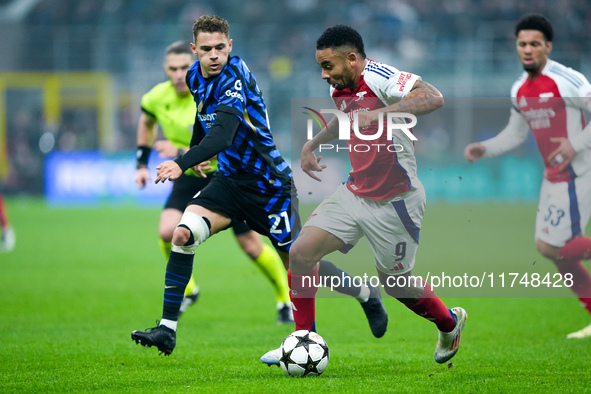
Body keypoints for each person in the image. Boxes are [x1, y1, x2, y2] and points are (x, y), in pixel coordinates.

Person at [131, 16, 386, 356]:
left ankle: (362, 296)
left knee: (299, 264)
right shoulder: (194, 76)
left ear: (230, 46)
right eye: (206, 49)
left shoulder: (234, 78)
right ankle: (167, 330)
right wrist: (196, 150)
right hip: (229, 182)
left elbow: (223, 133)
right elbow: (202, 118)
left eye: (220, 47)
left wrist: (182, 161)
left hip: (269, 185)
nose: (214, 55)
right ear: (195, 50)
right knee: (182, 233)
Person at [261, 24, 467, 366]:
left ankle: (449, 323)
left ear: (353, 59)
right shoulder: (339, 88)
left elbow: (434, 97)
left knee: (396, 283)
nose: (324, 75)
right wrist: (314, 143)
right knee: (300, 253)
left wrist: (381, 113)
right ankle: (302, 340)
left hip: (397, 201)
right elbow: (346, 119)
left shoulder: (380, 77)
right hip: (354, 193)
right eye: (320, 67)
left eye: (328, 66)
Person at [134, 40, 294, 323]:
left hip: (227, 173)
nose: (179, 74)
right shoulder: (163, 94)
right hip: (190, 172)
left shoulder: (227, 82)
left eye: (183, 67)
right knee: (171, 232)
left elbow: (222, 135)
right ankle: (186, 296)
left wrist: (181, 155)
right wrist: (142, 163)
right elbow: (153, 122)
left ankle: (285, 299)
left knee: (257, 247)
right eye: (173, 68)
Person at [464, 14, 591, 339]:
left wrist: (575, 144)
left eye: (535, 43)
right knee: (547, 247)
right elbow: (516, 133)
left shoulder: (566, 80)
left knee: (555, 247)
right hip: (553, 176)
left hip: (580, 171)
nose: (528, 49)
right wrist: (486, 148)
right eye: (522, 44)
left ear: (548, 46)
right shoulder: (520, 88)